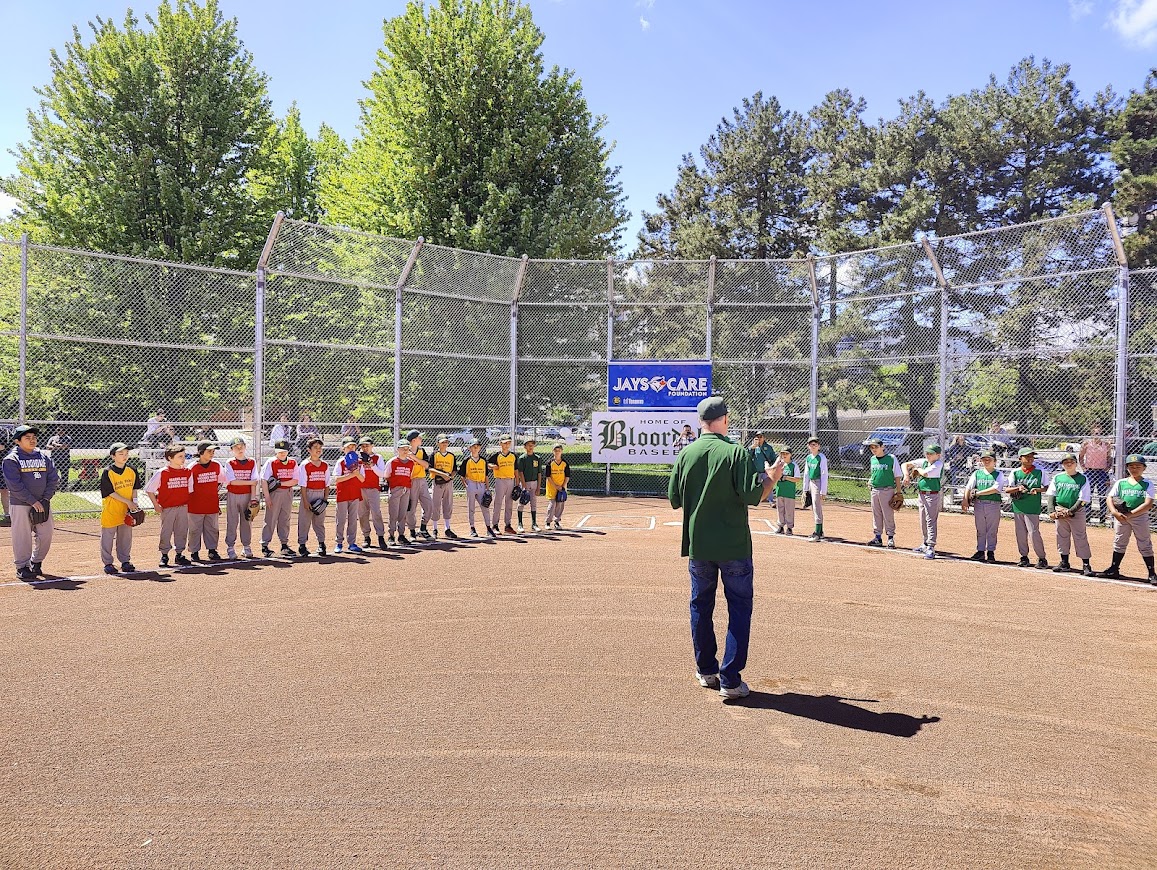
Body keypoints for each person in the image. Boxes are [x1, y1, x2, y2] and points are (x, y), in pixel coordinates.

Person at [667, 396, 777, 701]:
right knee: (739, 608)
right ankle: (730, 679)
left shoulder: (686, 453)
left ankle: (706, 670)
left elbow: (674, 497)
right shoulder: (735, 452)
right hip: (733, 545)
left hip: (698, 545)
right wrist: (772, 477)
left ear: (701, 421)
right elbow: (754, 495)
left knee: (701, 606)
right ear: (725, 419)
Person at [2, 425, 59, 581]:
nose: (32, 440)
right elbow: (15, 485)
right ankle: (22, 566)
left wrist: (45, 499)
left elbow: (53, 478)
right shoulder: (11, 459)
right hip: (20, 503)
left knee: (46, 533)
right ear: (17, 441)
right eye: (27, 438)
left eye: (34, 437)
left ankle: (36, 561)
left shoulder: (43, 456)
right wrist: (33, 501)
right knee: (22, 536)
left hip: (42, 502)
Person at [1099, 454, 1157, 583]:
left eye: (1138, 466)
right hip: (1121, 517)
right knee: (1119, 542)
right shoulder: (1121, 483)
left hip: (1139, 517)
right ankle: (1114, 569)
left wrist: (1131, 514)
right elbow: (1110, 498)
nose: (1134, 468)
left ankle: (1152, 573)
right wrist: (1114, 512)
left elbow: (1148, 504)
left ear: (1144, 468)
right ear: (1127, 468)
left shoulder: (1147, 484)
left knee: (1144, 543)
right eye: (1131, 466)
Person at [144, 444, 192, 568]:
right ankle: (164, 554)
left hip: (183, 506)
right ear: (170, 458)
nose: (183, 459)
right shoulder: (163, 472)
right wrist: (156, 505)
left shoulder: (187, 472)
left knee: (181, 531)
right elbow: (149, 489)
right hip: (168, 508)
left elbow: (190, 490)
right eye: (179, 456)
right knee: (166, 531)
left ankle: (179, 554)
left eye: (183, 456)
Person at [1045, 453, 1094, 577]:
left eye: (1071, 462)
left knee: (1080, 536)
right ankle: (1064, 562)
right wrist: (1051, 511)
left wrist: (1071, 511)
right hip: (1060, 511)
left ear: (1076, 463)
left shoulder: (1082, 478)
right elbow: (1052, 495)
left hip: (1076, 512)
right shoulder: (1058, 477)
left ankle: (1086, 564)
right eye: (1065, 462)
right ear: (1062, 464)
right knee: (1061, 536)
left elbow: (1083, 499)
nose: (1068, 464)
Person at [98, 442, 140, 575]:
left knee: (126, 537)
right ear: (113, 456)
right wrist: (128, 502)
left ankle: (125, 561)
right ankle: (108, 563)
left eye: (126, 453)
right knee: (108, 538)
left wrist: (134, 503)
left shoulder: (132, 470)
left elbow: (134, 488)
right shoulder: (107, 472)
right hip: (112, 510)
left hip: (127, 510)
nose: (125, 456)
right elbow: (110, 492)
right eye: (121, 454)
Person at [1006, 447, 1050, 569]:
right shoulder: (1015, 472)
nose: (1030, 458)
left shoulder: (1040, 471)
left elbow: (1047, 487)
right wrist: (1018, 489)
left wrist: (1038, 489)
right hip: (1018, 506)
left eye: (1032, 456)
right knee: (1020, 533)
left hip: (1032, 506)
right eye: (1027, 456)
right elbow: (1007, 489)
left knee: (1034, 533)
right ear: (1020, 458)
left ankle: (1042, 558)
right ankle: (1024, 557)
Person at [961, 450, 1004, 563]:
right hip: (979, 504)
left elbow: (996, 489)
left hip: (993, 504)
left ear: (995, 461)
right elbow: (968, 487)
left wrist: (978, 493)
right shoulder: (977, 473)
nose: (986, 461)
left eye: (989, 459)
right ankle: (980, 551)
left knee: (992, 530)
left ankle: (990, 551)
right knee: (980, 529)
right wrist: (965, 500)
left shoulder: (999, 474)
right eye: (984, 459)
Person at [221, 436, 260, 559]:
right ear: (231, 450)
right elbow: (232, 482)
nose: (239, 449)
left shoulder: (251, 462)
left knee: (247, 521)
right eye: (236, 447)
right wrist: (249, 482)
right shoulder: (230, 462)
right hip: (233, 495)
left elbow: (255, 481)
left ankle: (246, 546)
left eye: (241, 446)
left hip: (247, 496)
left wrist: (253, 498)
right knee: (232, 522)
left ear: (245, 447)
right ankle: (230, 547)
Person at [903, 444, 944, 559]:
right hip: (921, 495)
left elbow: (925, 473)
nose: (928, 455)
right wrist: (906, 475)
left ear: (938, 455)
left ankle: (931, 546)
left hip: (932, 495)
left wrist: (917, 470)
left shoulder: (938, 464)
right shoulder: (924, 462)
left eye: (931, 453)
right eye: (927, 453)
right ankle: (925, 543)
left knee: (930, 520)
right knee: (922, 520)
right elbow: (905, 464)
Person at [260, 439, 298, 558]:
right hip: (274, 494)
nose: (282, 453)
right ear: (276, 451)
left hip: (287, 492)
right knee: (270, 519)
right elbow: (264, 480)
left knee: (285, 518)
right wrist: (267, 497)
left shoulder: (292, 462)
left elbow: (295, 480)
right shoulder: (271, 462)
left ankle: (284, 545)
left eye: (284, 451)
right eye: (279, 451)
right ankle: (265, 545)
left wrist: (279, 483)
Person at [187, 441, 224, 561]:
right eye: (209, 451)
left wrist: (212, 493)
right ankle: (194, 552)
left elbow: (221, 481)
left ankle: (212, 550)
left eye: (213, 451)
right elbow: (188, 487)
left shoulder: (216, 465)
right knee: (194, 529)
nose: (212, 453)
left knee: (212, 528)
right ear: (201, 453)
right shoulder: (192, 467)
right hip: (195, 504)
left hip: (212, 503)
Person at [295, 437, 329, 557]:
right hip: (308, 493)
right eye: (315, 448)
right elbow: (303, 485)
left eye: (320, 448)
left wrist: (325, 499)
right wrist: (305, 501)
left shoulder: (325, 465)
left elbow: (327, 484)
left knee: (319, 522)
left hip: (320, 493)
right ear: (309, 450)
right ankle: (302, 544)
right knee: (304, 521)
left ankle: (321, 543)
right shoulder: (305, 465)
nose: (318, 450)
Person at [866, 437, 902, 549]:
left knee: (888, 514)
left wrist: (899, 492)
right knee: (876, 514)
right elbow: (874, 473)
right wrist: (870, 481)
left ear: (883, 447)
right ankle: (878, 537)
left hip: (887, 490)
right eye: (872, 447)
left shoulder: (891, 458)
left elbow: (897, 475)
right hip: (875, 490)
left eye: (876, 447)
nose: (874, 449)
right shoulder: (873, 459)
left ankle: (890, 538)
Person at [332, 437, 366, 554]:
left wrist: (356, 473)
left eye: (353, 446)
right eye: (348, 447)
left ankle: (352, 543)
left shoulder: (359, 462)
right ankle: (339, 543)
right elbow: (336, 479)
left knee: (353, 520)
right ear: (343, 449)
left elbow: (362, 479)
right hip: (343, 494)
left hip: (355, 494)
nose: (351, 448)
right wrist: (352, 475)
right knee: (340, 520)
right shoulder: (340, 462)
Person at [384, 441, 419, 545]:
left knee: (403, 513)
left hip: (406, 489)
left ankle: (401, 535)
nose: (405, 450)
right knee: (393, 513)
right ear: (397, 450)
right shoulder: (392, 462)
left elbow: (410, 476)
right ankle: (391, 535)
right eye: (402, 448)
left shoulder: (411, 462)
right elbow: (386, 475)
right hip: (395, 489)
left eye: (407, 448)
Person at [356, 436, 388, 550]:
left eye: (367, 446)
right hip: (361, 489)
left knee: (376, 513)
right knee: (362, 514)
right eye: (363, 446)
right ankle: (366, 537)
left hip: (373, 488)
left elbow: (382, 473)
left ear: (372, 446)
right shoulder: (358, 458)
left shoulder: (377, 457)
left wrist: (371, 464)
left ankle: (380, 536)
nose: (365, 448)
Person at [1079, 425, 1113, 525]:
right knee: (1088, 493)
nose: (1097, 435)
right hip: (1090, 471)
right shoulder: (1087, 444)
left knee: (1102, 494)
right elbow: (1081, 456)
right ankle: (1087, 516)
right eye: (1095, 433)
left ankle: (1102, 517)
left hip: (1102, 472)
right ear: (1092, 434)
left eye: (1099, 433)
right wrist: (1083, 467)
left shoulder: (1106, 444)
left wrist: (1108, 467)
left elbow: (1109, 457)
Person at [459, 439, 492, 537]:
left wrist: (488, 488)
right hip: (471, 484)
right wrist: (466, 485)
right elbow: (462, 474)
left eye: (478, 446)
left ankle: (488, 528)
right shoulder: (467, 460)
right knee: (471, 508)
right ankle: (472, 528)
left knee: (485, 507)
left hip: (481, 485)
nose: (476, 448)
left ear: (480, 448)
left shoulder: (483, 460)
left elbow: (486, 475)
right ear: (470, 448)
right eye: (474, 446)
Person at [406, 430, 434, 541]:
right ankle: (412, 532)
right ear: (413, 440)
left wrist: (414, 458)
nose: (421, 439)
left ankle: (423, 528)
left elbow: (426, 465)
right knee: (411, 508)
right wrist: (412, 457)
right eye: (419, 438)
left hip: (422, 480)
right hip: (410, 482)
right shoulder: (405, 451)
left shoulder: (422, 451)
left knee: (429, 505)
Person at [429, 434, 458, 539]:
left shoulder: (451, 455)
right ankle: (435, 528)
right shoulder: (434, 455)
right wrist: (442, 475)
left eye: (446, 441)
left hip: (448, 482)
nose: (444, 443)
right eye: (442, 442)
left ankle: (447, 528)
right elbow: (430, 468)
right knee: (435, 505)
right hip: (437, 482)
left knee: (448, 504)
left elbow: (454, 469)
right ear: (437, 443)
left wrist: (450, 477)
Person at [488, 434, 517, 535]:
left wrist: (517, 483)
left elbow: (516, 470)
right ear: (500, 443)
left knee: (509, 503)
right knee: (498, 503)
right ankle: (495, 525)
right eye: (505, 443)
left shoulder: (513, 455)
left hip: (511, 480)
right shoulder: (497, 455)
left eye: (508, 442)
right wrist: (492, 466)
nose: (507, 444)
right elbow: (488, 463)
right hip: (500, 480)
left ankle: (508, 525)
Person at [514, 437, 544, 533]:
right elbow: (520, 473)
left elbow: (539, 473)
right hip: (525, 483)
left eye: (532, 444)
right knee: (522, 503)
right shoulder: (522, 458)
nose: (531, 446)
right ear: (525, 447)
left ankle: (534, 524)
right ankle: (520, 524)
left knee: (533, 503)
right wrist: (523, 485)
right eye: (528, 445)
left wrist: (538, 487)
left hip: (534, 482)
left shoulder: (537, 458)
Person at [803, 436, 829, 542]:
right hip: (811, 483)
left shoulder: (821, 457)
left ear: (819, 446)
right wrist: (805, 489)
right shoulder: (809, 458)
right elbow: (806, 473)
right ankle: (820, 531)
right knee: (813, 507)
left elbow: (824, 474)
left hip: (818, 482)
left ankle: (818, 532)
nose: (813, 446)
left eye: (815, 444)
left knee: (816, 506)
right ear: (808, 446)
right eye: (811, 444)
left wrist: (823, 491)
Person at [771, 446, 799, 536]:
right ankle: (781, 526)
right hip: (780, 490)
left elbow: (797, 479)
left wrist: (786, 477)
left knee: (789, 510)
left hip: (789, 492)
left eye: (786, 453)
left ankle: (789, 527)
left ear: (791, 455)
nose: (784, 455)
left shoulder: (794, 465)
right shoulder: (779, 465)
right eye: (783, 453)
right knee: (780, 509)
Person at [749, 433, 777, 506]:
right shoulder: (753, 447)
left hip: (765, 471)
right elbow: (747, 456)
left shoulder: (768, 447)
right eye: (757, 437)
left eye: (760, 437)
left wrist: (772, 467)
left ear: (764, 438)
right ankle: (753, 500)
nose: (759, 438)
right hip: (756, 471)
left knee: (769, 484)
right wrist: (752, 448)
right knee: (754, 486)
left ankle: (771, 501)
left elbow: (773, 458)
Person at [0, 424, 12, 526]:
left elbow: (1, 447)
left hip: (1, 464)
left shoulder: (3, 431)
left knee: (4, 491)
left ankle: (7, 515)